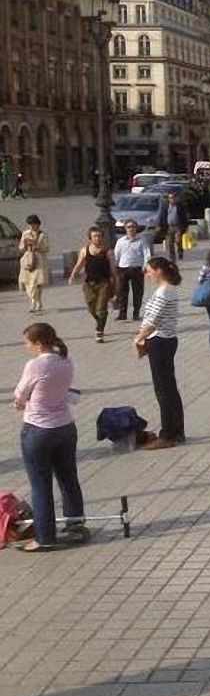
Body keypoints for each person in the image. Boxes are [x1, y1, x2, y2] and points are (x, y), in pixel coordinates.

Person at [12, 322, 85, 552]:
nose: (26, 347)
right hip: (65, 426)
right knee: (68, 477)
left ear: (38, 343)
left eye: (28, 343)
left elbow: (20, 394)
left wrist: (20, 403)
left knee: (40, 485)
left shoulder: (35, 365)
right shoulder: (66, 360)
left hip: (38, 429)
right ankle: (76, 525)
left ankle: (45, 537)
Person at [133, 257, 185, 448]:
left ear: (159, 271)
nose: (147, 275)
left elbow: (152, 320)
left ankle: (168, 434)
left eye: (149, 271)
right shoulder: (168, 290)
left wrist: (138, 338)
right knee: (169, 388)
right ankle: (177, 430)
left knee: (163, 390)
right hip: (166, 340)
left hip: (160, 341)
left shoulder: (164, 292)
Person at [69, 227, 116, 343]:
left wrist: (115, 284)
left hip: (103, 283)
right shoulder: (85, 250)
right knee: (91, 307)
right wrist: (73, 275)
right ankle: (100, 320)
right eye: (95, 236)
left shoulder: (107, 251)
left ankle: (99, 331)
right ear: (90, 238)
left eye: (99, 236)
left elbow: (113, 269)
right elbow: (79, 264)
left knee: (101, 309)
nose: (97, 238)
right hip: (88, 284)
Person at [111, 221, 153, 321]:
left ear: (136, 228)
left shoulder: (142, 240)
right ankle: (122, 313)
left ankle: (136, 313)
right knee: (122, 292)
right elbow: (116, 255)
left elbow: (147, 254)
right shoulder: (121, 241)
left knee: (137, 292)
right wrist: (115, 268)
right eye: (129, 227)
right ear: (125, 229)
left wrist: (146, 266)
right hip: (123, 269)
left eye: (133, 227)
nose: (131, 229)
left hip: (137, 269)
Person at [18, 215, 50, 313]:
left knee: (37, 283)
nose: (32, 227)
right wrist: (25, 244)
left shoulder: (43, 235)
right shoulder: (25, 233)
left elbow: (47, 249)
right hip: (27, 260)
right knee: (28, 282)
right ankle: (35, 301)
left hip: (39, 260)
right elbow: (21, 248)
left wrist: (38, 247)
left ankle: (35, 303)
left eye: (33, 224)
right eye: (30, 225)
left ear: (38, 224)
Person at [157, 191, 189, 262]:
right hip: (169, 227)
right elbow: (161, 216)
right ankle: (172, 257)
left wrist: (186, 226)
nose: (172, 199)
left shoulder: (180, 206)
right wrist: (159, 224)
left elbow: (184, 217)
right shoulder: (165, 206)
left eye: (174, 198)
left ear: (176, 198)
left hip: (178, 226)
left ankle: (180, 252)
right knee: (170, 243)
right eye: (171, 198)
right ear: (168, 199)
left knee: (178, 241)